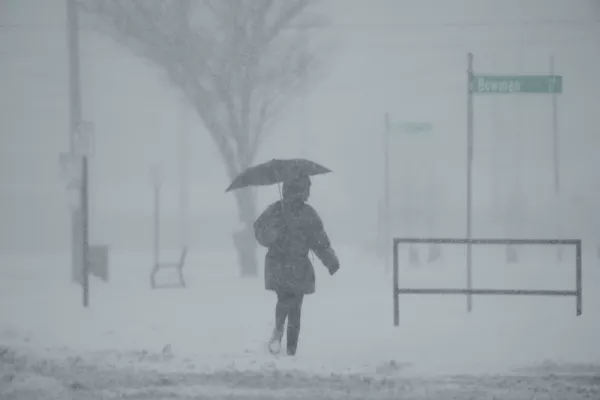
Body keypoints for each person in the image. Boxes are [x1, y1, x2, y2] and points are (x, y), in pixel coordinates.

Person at [253, 174, 339, 356]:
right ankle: (291, 348)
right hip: (297, 267)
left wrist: (272, 233)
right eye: (307, 188)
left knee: (284, 300)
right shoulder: (308, 213)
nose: (308, 192)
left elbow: (259, 229)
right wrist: (330, 260)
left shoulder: (275, 210)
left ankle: (278, 331)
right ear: (301, 190)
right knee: (295, 307)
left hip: (277, 266)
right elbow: (319, 241)